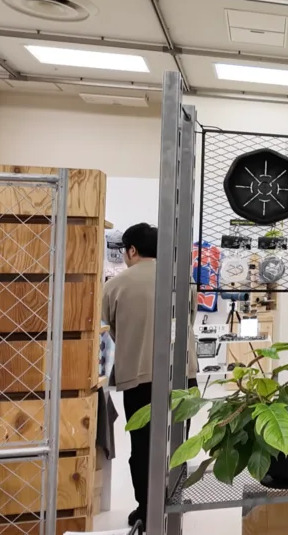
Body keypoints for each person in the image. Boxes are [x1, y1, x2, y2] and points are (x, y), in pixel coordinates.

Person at [102, 223, 199, 529]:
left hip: (140, 376)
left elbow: (110, 327)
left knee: (143, 445)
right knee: (178, 443)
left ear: (132, 250)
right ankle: (174, 502)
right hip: (183, 373)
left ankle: (146, 509)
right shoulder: (183, 281)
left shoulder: (116, 285)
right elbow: (190, 320)